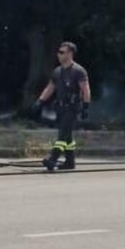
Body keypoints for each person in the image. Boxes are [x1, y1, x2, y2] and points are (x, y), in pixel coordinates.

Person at [31, 41, 91, 172]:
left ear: (70, 54)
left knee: (63, 134)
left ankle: (53, 158)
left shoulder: (78, 71)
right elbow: (50, 87)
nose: (59, 54)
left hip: (73, 107)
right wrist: (40, 102)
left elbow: (85, 89)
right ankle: (70, 162)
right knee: (67, 135)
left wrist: (86, 106)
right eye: (59, 52)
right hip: (61, 107)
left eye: (62, 52)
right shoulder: (57, 71)